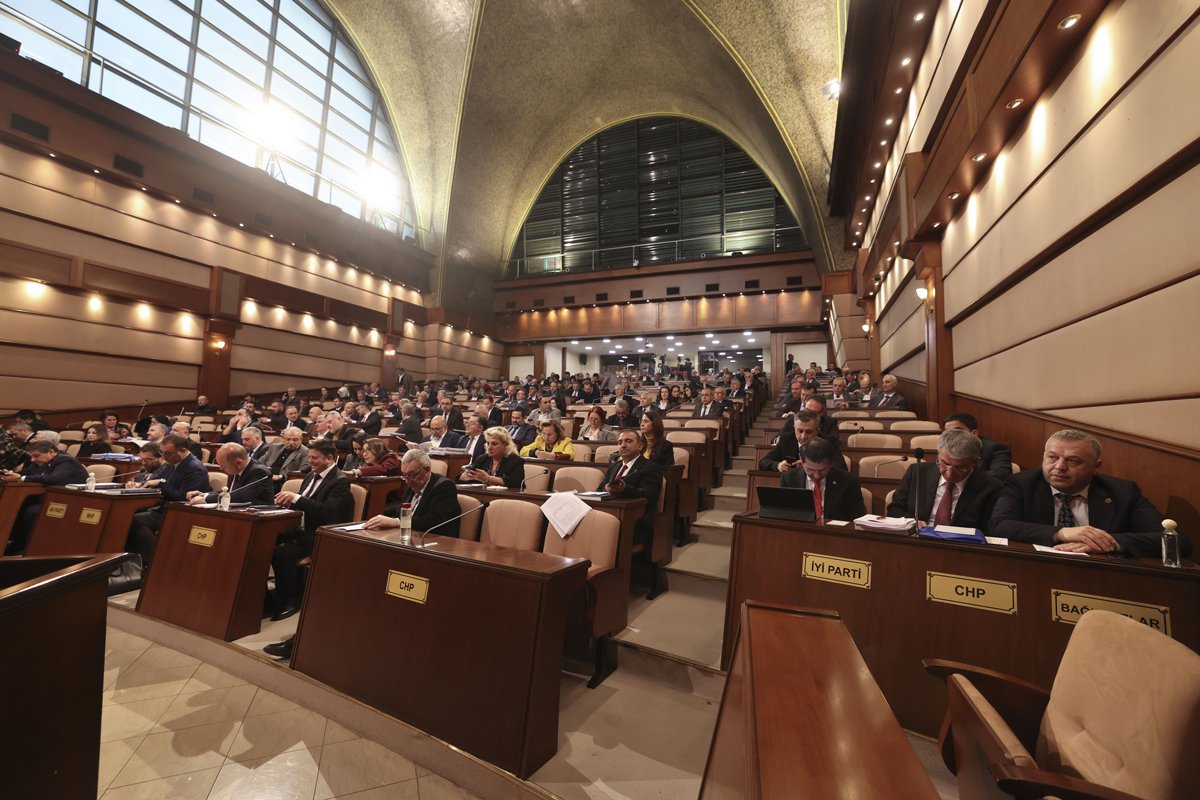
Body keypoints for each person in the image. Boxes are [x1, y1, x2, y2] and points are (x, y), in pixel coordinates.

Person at [989, 429, 1190, 557]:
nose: (1059, 467)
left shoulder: (1122, 492)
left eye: (1073, 461)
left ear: (1096, 467)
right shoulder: (1022, 484)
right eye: (1052, 457)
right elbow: (999, 525)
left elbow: (1177, 542)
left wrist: (1108, 543)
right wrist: (1061, 533)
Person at [262, 440, 356, 659]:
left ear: (329, 458)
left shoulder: (340, 481)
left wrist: (297, 498)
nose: (310, 461)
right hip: (302, 530)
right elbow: (304, 507)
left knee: (281, 553)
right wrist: (288, 503)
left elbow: (326, 512)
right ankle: (265, 600)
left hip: (322, 537)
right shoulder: (309, 477)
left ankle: (289, 600)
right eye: (310, 457)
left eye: (314, 458)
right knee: (266, 540)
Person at [126, 435, 212, 573]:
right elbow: (158, 481)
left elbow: (183, 498)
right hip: (163, 507)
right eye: (162, 453)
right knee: (126, 514)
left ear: (182, 451)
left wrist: (160, 484)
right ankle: (130, 561)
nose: (164, 457)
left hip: (180, 512)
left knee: (137, 521)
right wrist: (140, 485)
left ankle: (152, 562)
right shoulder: (171, 463)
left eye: (167, 453)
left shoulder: (194, 468)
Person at [887, 429, 1003, 531]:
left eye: (959, 467)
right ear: (938, 455)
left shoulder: (991, 487)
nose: (950, 474)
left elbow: (988, 528)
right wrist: (912, 522)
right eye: (945, 463)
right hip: (917, 538)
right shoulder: (917, 472)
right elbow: (894, 509)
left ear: (975, 462)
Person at [1, 439, 89, 554]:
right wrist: (9, 474)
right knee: (17, 506)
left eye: (36, 456)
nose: (33, 460)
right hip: (49, 496)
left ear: (51, 452)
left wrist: (20, 478)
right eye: (31, 457)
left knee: (31, 511)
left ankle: (33, 547)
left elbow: (53, 479)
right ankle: (18, 543)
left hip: (72, 500)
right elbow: (26, 472)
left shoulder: (65, 460)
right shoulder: (41, 462)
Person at [367, 450, 461, 536]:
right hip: (411, 536)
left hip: (435, 541)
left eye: (411, 475)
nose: (407, 481)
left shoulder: (444, 486)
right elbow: (400, 513)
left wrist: (397, 522)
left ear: (426, 470)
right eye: (404, 475)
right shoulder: (412, 483)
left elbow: (433, 521)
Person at [781, 436, 867, 522]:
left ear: (831, 463)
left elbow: (858, 519)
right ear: (802, 461)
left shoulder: (848, 481)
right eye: (811, 469)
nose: (817, 476)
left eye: (822, 470)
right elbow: (785, 514)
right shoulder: (789, 478)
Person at [597, 429, 661, 545]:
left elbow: (649, 495)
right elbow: (598, 490)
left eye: (628, 441)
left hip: (634, 520)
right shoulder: (614, 467)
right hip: (608, 514)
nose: (623, 445)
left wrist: (625, 489)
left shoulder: (650, 467)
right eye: (620, 442)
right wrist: (606, 489)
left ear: (640, 446)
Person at [187, 443, 274, 506]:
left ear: (238, 462)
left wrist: (206, 499)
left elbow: (241, 497)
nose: (221, 469)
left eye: (223, 466)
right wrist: (205, 494)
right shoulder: (235, 468)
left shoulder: (260, 472)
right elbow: (230, 493)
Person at [758, 411, 838, 472]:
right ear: (794, 428)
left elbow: (840, 467)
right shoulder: (786, 439)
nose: (803, 436)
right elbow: (763, 462)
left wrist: (810, 466)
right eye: (800, 431)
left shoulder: (828, 442)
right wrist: (778, 465)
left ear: (818, 430)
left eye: (809, 432)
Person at [943, 413, 1012, 481]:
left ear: (974, 433)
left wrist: (964, 480)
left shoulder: (995, 448)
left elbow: (1000, 473)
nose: (952, 436)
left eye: (957, 431)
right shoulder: (943, 448)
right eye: (948, 432)